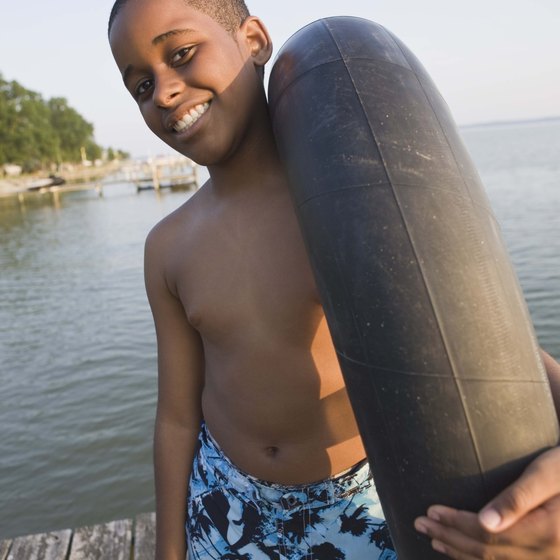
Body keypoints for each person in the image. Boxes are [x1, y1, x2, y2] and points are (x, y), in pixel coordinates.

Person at [108, 1, 560, 559]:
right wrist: (169, 550)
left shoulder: (354, 202)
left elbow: (470, 342)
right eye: (141, 86)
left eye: (181, 54)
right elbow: (177, 417)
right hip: (227, 502)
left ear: (253, 41)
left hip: (362, 505)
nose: (165, 92)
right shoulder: (168, 246)